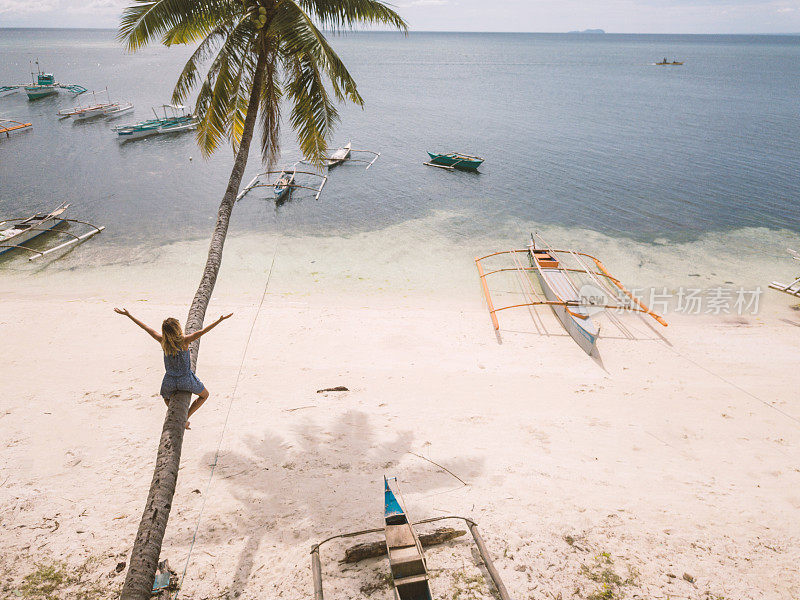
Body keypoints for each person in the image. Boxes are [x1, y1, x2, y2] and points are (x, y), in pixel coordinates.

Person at [114, 308, 233, 429]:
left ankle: (177, 415)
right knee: (205, 395)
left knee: (166, 398)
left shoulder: (162, 341)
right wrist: (220, 320)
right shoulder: (184, 341)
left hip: (169, 381)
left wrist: (129, 315)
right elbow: (203, 331)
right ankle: (185, 417)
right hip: (186, 380)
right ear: (177, 329)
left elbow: (146, 328)